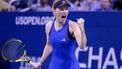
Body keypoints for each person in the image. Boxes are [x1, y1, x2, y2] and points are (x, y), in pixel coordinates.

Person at [30, 0, 87, 69]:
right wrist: (40, 62)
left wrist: (82, 30)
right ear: (54, 10)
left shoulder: (73, 26)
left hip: (71, 67)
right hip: (54, 66)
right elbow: (49, 45)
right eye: (61, 9)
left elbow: (82, 46)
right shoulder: (49, 26)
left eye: (66, 9)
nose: (64, 11)